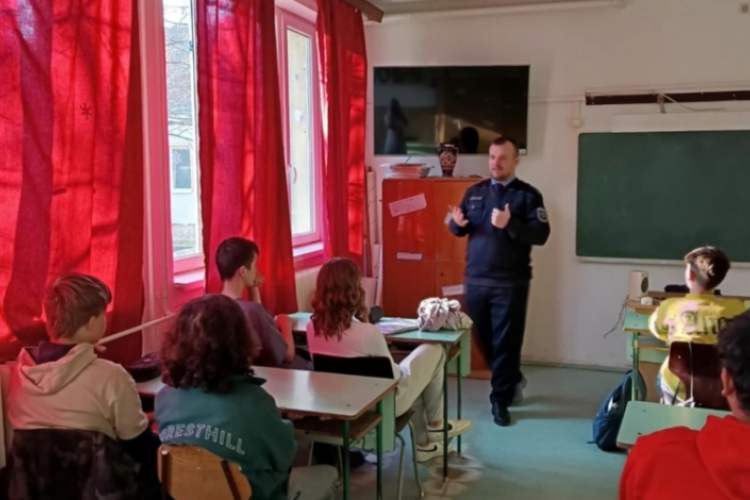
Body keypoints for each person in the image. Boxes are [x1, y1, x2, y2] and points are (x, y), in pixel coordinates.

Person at [156, 295, 337, 500]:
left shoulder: (164, 399)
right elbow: (285, 456)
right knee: (328, 473)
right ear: (240, 341)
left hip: (188, 495)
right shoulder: (256, 403)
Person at [7, 274, 161, 499]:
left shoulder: (19, 374)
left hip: (38, 491)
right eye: (103, 314)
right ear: (91, 322)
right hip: (99, 490)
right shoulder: (111, 376)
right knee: (156, 454)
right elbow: (137, 444)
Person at [305, 258, 473, 462]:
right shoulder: (367, 333)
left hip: (338, 402)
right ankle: (436, 425)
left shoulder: (311, 329)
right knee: (434, 350)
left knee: (421, 380)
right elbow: (393, 378)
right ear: (354, 291)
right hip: (380, 405)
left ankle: (425, 445)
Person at [448, 136, 550, 427]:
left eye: (503, 157)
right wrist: (455, 224)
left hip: (510, 283)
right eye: (492, 157)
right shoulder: (475, 192)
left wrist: (511, 225)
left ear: (516, 161)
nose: (496, 163)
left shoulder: (528, 195)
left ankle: (499, 401)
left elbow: (541, 235)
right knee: (485, 340)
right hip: (476, 280)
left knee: (506, 343)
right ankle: (512, 377)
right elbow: (460, 227)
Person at [619, 309, 750, 500]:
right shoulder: (733, 305)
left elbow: (657, 329)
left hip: (681, 387)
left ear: (727, 380)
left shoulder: (654, 457)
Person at [649, 247, 746, 405]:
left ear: (691, 274)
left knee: (664, 373)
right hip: (723, 387)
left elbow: (659, 331)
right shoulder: (737, 308)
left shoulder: (670, 307)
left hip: (678, 387)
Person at [216, 237, 311, 369]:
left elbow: (257, 315)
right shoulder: (253, 311)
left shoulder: (214, 306)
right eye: (254, 266)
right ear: (243, 271)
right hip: (285, 373)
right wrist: (285, 326)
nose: (256, 271)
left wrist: (253, 287)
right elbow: (288, 355)